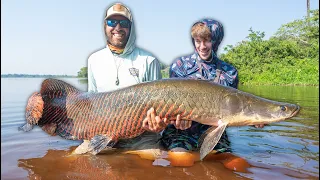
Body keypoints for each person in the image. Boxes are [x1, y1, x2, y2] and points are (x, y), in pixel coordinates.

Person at [86, 2, 186, 150]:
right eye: (112, 22)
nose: (118, 28)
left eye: (124, 23)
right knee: (77, 161)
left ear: (131, 28)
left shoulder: (148, 60)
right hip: (104, 133)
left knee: (149, 167)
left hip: (142, 138)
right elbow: (91, 103)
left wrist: (158, 125)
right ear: (105, 26)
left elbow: (159, 110)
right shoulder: (93, 60)